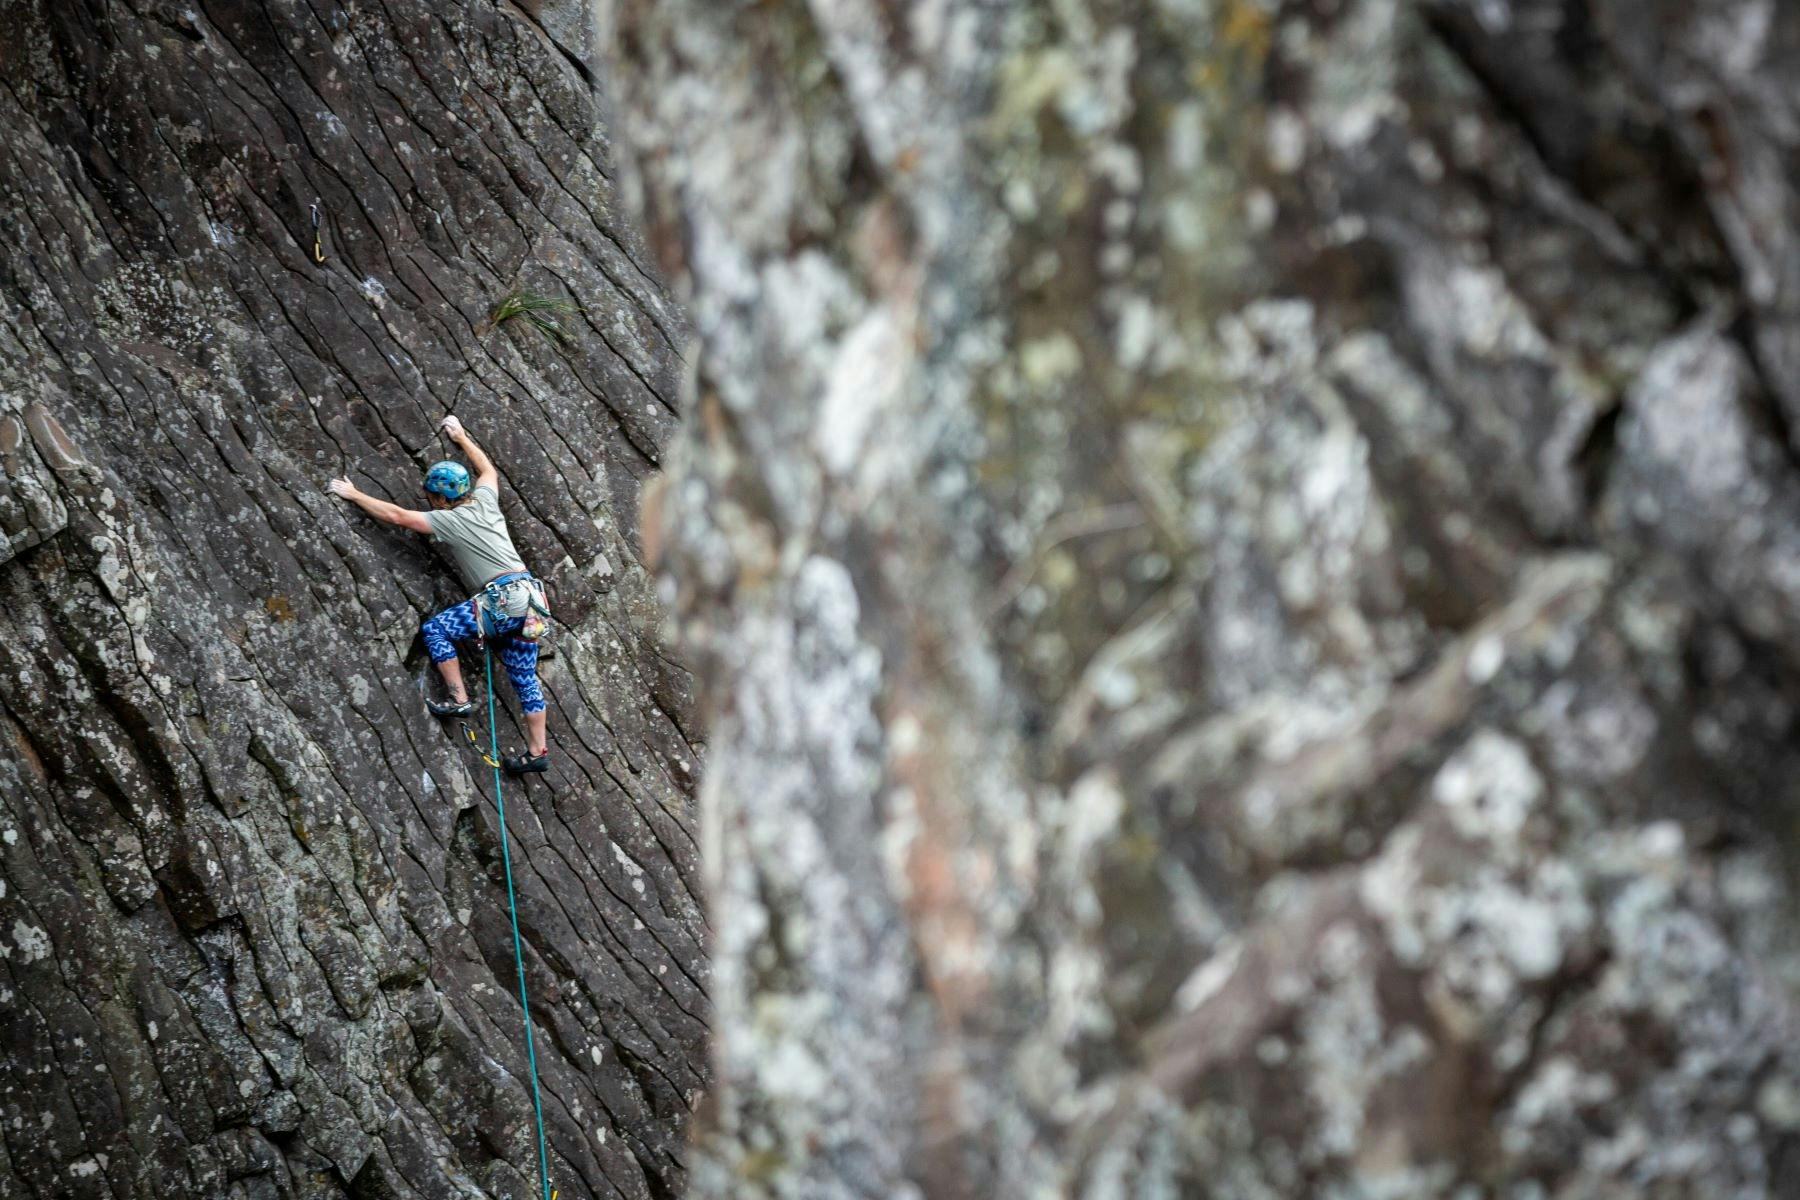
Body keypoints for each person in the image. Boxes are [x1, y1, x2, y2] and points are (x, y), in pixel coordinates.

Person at [327, 415, 552, 775]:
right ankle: (537, 750)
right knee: (524, 677)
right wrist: (462, 438)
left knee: (437, 630)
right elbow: (488, 470)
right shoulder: (486, 502)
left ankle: (460, 698)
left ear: (439, 497)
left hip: (503, 600)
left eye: (431, 496)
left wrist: (354, 494)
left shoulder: (447, 520)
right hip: (532, 602)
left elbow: (398, 516)